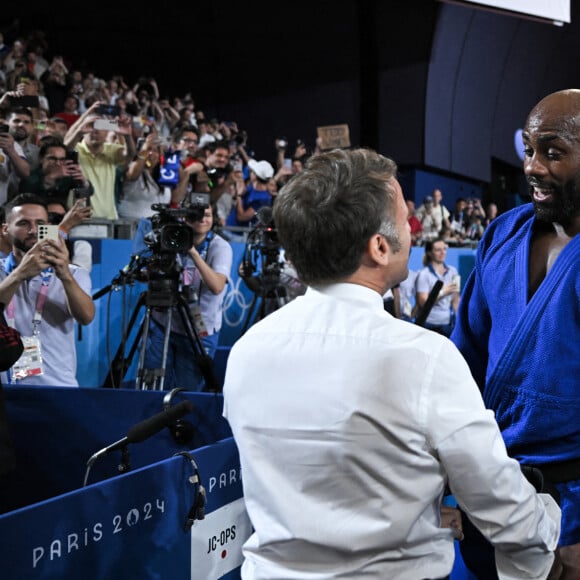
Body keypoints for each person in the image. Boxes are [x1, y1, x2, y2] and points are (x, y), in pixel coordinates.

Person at [222, 147, 561, 579]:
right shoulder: (423, 357)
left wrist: (419, 514)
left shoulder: (247, 351)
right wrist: (545, 540)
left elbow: (318, 475)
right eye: (405, 219)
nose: (412, 230)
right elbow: (499, 501)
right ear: (380, 247)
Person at [451, 88, 580, 577]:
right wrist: (458, 482)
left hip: (571, 500)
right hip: (493, 488)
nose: (532, 166)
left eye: (553, 152)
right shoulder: (502, 232)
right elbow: (465, 361)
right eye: (528, 150)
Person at [0, 193, 94, 386]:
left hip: (58, 388)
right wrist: (19, 275)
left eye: (40, 223)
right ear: (5, 229)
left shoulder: (74, 273)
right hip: (6, 390)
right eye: (23, 223)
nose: (33, 230)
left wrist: (64, 274)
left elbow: (86, 317)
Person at [143, 203, 233, 391]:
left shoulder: (220, 246)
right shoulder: (170, 238)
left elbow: (216, 286)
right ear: (185, 218)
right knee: (154, 386)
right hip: (165, 322)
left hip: (199, 330)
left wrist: (192, 251)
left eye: (207, 215)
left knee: (187, 390)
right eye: (196, 216)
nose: (202, 219)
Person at [415, 238, 460, 337]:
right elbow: (423, 303)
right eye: (438, 250)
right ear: (430, 253)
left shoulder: (453, 271)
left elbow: (456, 300)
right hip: (429, 324)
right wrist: (442, 292)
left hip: (448, 324)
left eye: (444, 249)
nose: (442, 252)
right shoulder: (424, 274)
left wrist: (460, 322)